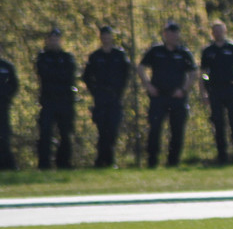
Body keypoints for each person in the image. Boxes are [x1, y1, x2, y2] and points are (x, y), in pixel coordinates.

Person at [138, 21, 198, 168]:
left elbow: (193, 73)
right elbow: (140, 67)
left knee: (177, 131)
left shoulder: (184, 53)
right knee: (154, 129)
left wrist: (183, 90)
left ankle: (173, 162)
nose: (172, 35)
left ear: (178, 34)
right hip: (158, 97)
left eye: (175, 32)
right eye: (169, 32)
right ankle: (152, 162)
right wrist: (148, 85)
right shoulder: (155, 51)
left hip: (177, 98)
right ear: (164, 34)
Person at [82, 26, 132, 168]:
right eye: (103, 36)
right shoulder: (95, 56)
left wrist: (120, 91)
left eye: (108, 36)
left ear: (112, 37)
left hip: (115, 97)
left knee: (113, 129)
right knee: (102, 129)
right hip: (101, 97)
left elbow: (126, 74)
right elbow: (86, 76)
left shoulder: (119, 55)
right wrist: (95, 91)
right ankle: (103, 161)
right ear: (101, 38)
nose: (106, 39)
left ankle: (107, 159)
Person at [200, 20, 233, 164]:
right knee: (218, 124)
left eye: (220, 30)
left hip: (231, 89)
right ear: (212, 33)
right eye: (215, 31)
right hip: (215, 90)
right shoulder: (208, 51)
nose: (218, 33)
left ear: (225, 31)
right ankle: (222, 157)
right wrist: (205, 89)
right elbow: (203, 73)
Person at [35, 27, 77, 169]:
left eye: (56, 39)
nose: (54, 42)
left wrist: (56, 75)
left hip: (65, 101)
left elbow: (69, 76)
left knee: (65, 134)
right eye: (51, 39)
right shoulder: (42, 57)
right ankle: (44, 164)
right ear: (47, 40)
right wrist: (58, 75)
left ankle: (64, 163)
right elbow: (45, 75)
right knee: (45, 133)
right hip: (48, 101)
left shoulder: (67, 57)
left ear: (60, 40)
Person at [0, 54, 17, 170]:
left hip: (2, 107)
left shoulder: (7, 66)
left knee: (4, 136)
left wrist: (5, 97)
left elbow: (14, 85)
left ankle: (7, 166)